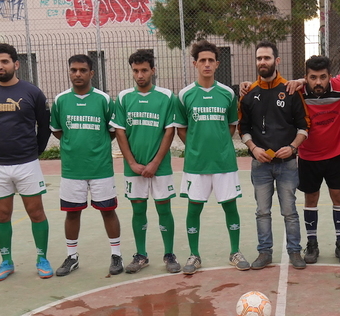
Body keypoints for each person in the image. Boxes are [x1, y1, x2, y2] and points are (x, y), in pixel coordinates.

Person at [0, 42, 52, 281]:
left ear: (16, 64)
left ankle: (42, 258)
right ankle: (6, 260)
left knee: (36, 212)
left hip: (27, 163)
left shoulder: (32, 92)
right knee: (2, 215)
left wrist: (35, 151)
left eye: (4, 61)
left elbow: (44, 126)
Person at [174, 40, 250, 275]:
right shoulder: (185, 95)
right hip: (196, 164)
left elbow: (231, 126)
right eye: (202, 61)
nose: (206, 65)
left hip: (223, 162)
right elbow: (182, 129)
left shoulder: (227, 93)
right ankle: (194, 255)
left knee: (230, 206)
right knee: (194, 209)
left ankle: (235, 252)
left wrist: (218, 146)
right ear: (195, 63)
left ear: (217, 64)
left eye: (211, 61)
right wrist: (197, 147)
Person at [239, 40, 310, 270]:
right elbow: (243, 129)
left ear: (276, 61)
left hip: (287, 164)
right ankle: (264, 252)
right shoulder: (249, 94)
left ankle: (295, 251)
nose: (262, 62)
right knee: (262, 212)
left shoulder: (290, 90)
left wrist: (293, 147)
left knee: (290, 211)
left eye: (267, 58)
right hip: (261, 165)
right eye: (259, 58)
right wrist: (253, 148)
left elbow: (304, 126)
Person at [50, 54, 123, 277]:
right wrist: (75, 146)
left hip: (100, 168)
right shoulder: (60, 100)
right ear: (69, 72)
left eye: (83, 70)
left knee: (108, 211)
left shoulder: (103, 100)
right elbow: (57, 130)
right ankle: (72, 257)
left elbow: (111, 131)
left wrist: (95, 147)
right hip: (72, 170)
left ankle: (116, 254)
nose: (78, 74)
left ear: (92, 73)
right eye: (74, 70)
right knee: (72, 214)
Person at [111, 49, 182, 274]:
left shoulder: (167, 97)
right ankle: (141, 255)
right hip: (134, 169)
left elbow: (169, 132)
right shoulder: (123, 98)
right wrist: (132, 163)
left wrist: (154, 163)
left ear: (153, 70)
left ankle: (169, 254)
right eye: (135, 71)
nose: (140, 75)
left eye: (144, 70)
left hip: (159, 168)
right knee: (138, 210)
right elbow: (120, 133)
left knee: (164, 209)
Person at [297, 55, 340, 264]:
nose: (318, 82)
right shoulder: (298, 91)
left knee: (339, 198)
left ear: (330, 76)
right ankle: (312, 244)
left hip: (336, 156)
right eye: (312, 77)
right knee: (311, 200)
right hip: (308, 156)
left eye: (322, 77)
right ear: (306, 78)